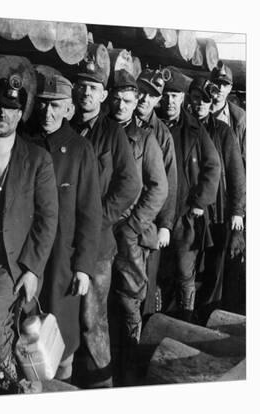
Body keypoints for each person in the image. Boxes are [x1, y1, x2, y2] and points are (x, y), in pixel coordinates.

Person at [0, 76, 58, 396]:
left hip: (10, 262)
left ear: (20, 114)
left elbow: (47, 220)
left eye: (10, 107)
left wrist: (32, 269)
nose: (2, 113)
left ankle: (12, 381)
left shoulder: (37, 160)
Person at [69, 58, 141, 388]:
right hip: (61, 242)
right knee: (63, 318)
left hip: (97, 246)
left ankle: (102, 388)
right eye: (81, 86)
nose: (86, 92)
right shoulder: (61, 127)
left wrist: (99, 218)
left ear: (103, 95)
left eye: (93, 88)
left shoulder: (112, 134)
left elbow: (130, 184)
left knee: (92, 319)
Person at [27, 73, 102, 384]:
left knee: (64, 339)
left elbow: (90, 213)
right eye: (43, 105)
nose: (48, 113)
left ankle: (63, 390)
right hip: (29, 257)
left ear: (69, 110)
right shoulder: (25, 143)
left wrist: (84, 266)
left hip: (64, 261)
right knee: (29, 334)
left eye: (56, 106)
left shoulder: (80, 149)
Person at [107, 69, 168, 381]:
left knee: (129, 302)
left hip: (130, 235)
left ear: (135, 105)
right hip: (101, 230)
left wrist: (133, 224)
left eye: (127, 101)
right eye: (116, 100)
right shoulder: (99, 133)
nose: (121, 106)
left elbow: (159, 187)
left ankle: (129, 373)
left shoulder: (146, 140)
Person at [157, 67, 221, 322]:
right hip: (158, 212)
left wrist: (199, 202)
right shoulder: (155, 123)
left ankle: (185, 322)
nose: (169, 101)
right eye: (166, 95)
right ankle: (157, 322)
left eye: (175, 96)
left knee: (185, 272)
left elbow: (213, 166)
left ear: (183, 98)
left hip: (185, 214)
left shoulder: (195, 129)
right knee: (158, 272)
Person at [188, 77, 245, 321]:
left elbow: (236, 174)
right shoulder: (183, 127)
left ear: (212, 103)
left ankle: (208, 318)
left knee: (214, 270)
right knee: (189, 267)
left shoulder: (223, 132)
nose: (200, 104)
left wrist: (237, 212)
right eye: (196, 98)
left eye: (206, 100)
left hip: (218, 213)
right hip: (190, 209)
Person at [135, 68, 178, 316]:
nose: (144, 99)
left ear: (158, 101)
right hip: (122, 216)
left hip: (149, 222)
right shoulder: (119, 123)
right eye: (142, 92)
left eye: (151, 96)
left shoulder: (162, 134)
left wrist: (165, 225)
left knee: (145, 283)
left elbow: (170, 182)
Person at [210, 60, 246, 168]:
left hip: (229, 172)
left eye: (225, 85)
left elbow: (245, 155)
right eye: (217, 83)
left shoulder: (239, 117)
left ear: (230, 88)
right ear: (210, 84)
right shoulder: (200, 111)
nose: (220, 89)